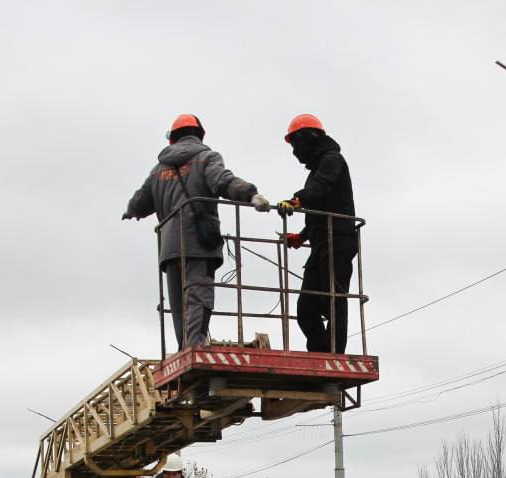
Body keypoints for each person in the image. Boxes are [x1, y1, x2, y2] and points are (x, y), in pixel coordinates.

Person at [123, 114, 270, 349]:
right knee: (198, 296)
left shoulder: (157, 171)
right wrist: (250, 194)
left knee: (179, 303)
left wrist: (130, 211)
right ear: (200, 135)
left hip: (170, 247)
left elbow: (140, 203)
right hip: (199, 242)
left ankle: (185, 348)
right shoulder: (206, 158)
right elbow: (223, 181)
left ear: (172, 140)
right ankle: (195, 348)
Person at [277, 114, 357, 354]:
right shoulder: (318, 168)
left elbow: (320, 187)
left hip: (339, 241)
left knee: (333, 300)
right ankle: (320, 353)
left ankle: (334, 355)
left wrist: (297, 199)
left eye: (295, 144)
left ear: (308, 139)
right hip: (323, 242)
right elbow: (320, 210)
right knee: (306, 308)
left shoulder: (332, 160)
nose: (294, 152)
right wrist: (302, 237)